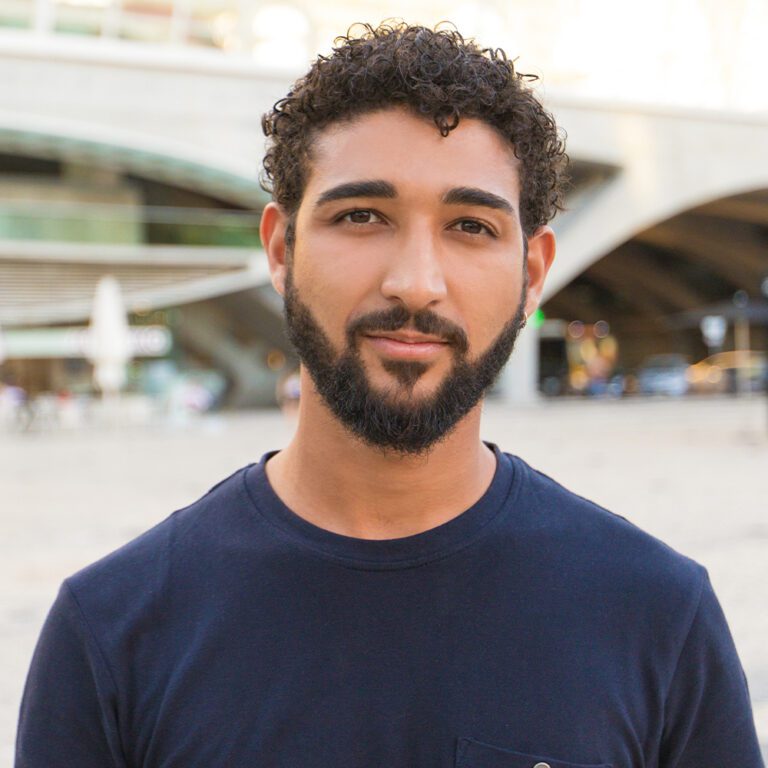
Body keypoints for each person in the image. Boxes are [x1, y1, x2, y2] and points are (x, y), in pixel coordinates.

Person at [16, 23, 763, 768]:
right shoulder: (112, 635)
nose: (415, 281)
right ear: (281, 249)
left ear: (533, 275)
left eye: (470, 226)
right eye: (361, 216)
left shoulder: (656, 617)